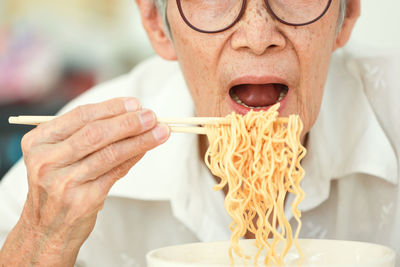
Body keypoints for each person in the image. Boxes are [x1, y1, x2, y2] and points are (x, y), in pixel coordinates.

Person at [1, 0, 399, 266]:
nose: (258, 38)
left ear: (345, 15)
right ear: (157, 23)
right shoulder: (76, 166)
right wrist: (40, 243)